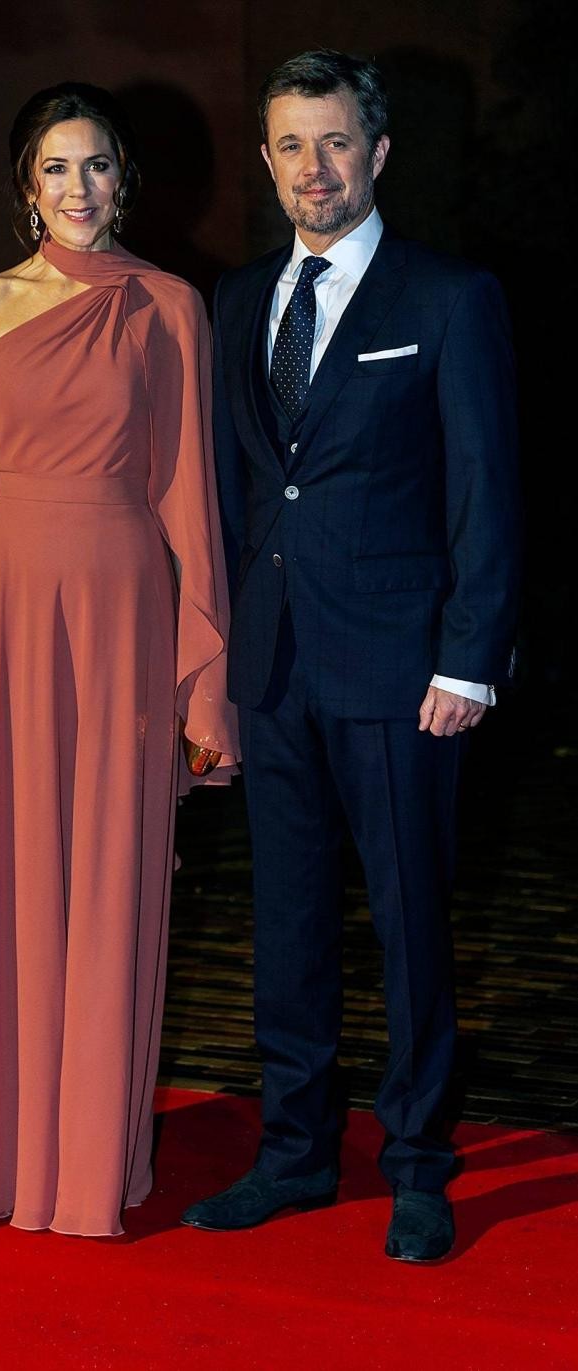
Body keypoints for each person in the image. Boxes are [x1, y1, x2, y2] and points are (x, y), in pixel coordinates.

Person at [0, 83, 238, 1238]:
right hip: (9, 599)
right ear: (26, 185)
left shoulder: (168, 305)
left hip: (121, 602)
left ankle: (80, 1164)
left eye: (98, 165)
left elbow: (187, 488)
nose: (80, 187)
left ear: (124, 180)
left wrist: (201, 668)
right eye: (58, 167)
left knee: (108, 861)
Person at [182, 50, 520, 1261]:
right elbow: (233, 494)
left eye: (333, 142)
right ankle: (294, 1154)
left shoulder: (446, 297)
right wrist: (208, 663)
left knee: (410, 924)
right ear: (266, 160)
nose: (312, 168)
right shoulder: (235, 302)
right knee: (286, 922)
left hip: (399, 672)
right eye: (290, 145)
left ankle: (419, 1165)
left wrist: (468, 660)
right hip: (271, 667)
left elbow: (485, 488)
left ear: (375, 153)